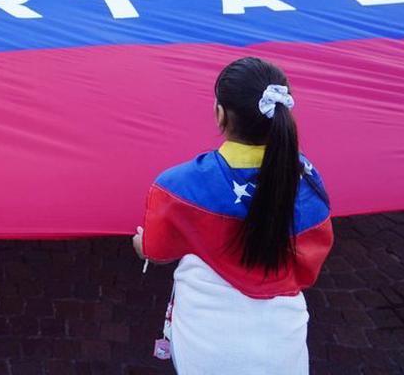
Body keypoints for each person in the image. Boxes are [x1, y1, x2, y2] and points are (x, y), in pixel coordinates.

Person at [133, 57, 332, 375]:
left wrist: (141, 244)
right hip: (283, 344)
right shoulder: (308, 180)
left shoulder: (177, 185)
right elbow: (307, 267)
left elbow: (156, 252)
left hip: (205, 343)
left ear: (219, 114)